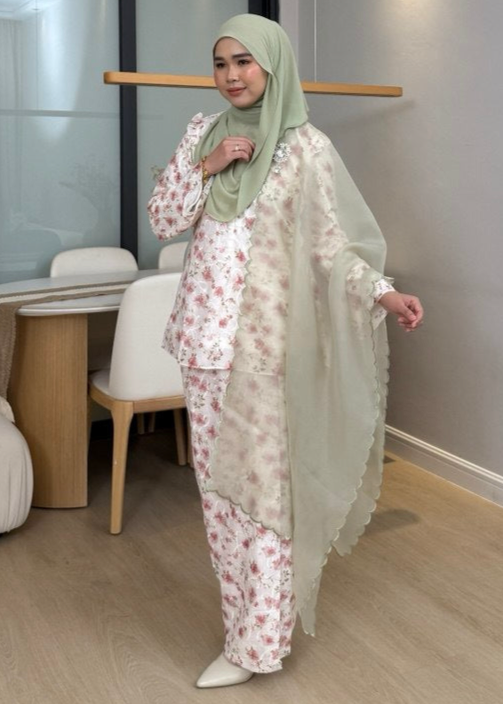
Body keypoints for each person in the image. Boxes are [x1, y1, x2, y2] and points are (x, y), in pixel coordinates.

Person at [148, 13, 423, 689]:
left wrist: (382, 291)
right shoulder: (202, 133)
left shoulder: (305, 149)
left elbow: (330, 246)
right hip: (202, 344)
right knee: (219, 499)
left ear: (273, 65)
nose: (231, 75)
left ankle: (256, 646)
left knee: (264, 497)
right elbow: (163, 219)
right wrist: (208, 165)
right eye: (220, 63)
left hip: (265, 350)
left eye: (244, 61)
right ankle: (236, 629)